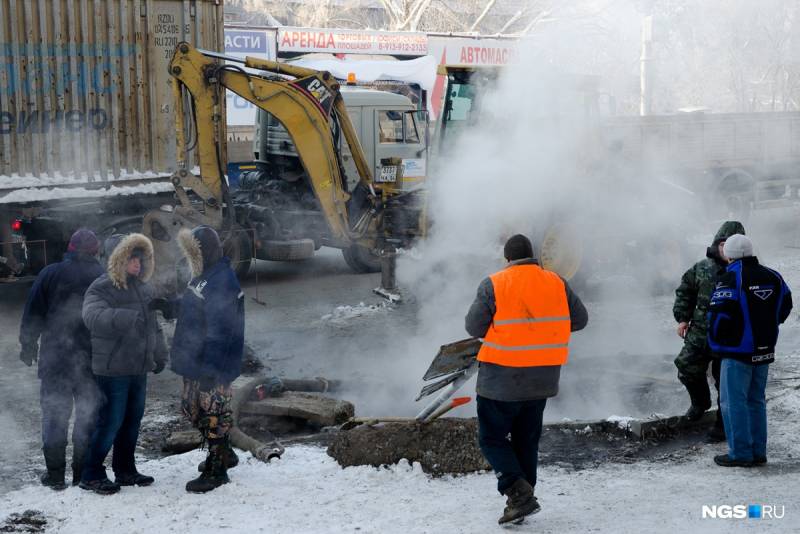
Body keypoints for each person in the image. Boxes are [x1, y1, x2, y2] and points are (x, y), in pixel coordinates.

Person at [465, 234, 588, 525]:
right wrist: (543, 332)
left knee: (491, 438)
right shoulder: (556, 282)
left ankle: (517, 491)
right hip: (542, 379)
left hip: (501, 379)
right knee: (526, 440)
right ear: (534, 256)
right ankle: (523, 499)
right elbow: (580, 319)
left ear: (507, 258)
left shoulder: (494, 283)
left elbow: (473, 327)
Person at [79, 233, 167, 494]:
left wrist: (160, 353)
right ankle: (91, 473)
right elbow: (92, 316)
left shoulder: (143, 288)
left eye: (139, 259)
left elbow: (153, 325)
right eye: (131, 259)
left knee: (132, 421)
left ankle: (125, 470)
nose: (137, 264)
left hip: (138, 366)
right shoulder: (101, 287)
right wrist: (126, 318)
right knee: (110, 422)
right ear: (117, 260)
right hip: (113, 369)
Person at [18, 229, 105, 490]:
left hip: (55, 358)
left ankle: (55, 475)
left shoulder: (50, 273)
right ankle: (81, 473)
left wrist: (28, 345)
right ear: (95, 250)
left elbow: (33, 312)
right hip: (92, 359)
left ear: (70, 247)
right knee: (88, 416)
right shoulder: (102, 275)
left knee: (55, 415)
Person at [169, 226, 245, 493]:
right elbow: (194, 308)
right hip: (195, 360)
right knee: (192, 409)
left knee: (212, 415)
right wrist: (169, 306)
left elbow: (221, 330)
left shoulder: (222, 281)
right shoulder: (204, 276)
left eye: (193, 253)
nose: (189, 259)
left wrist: (211, 370)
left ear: (205, 252)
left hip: (212, 365)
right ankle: (225, 453)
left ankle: (217, 470)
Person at [708, 234, 792, 467]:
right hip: (764, 348)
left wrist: (717, 344)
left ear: (729, 254)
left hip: (737, 351)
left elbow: (718, 315)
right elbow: (786, 305)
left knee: (733, 402)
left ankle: (740, 453)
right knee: (756, 400)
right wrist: (768, 326)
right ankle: (758, 451)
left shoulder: (730, 278)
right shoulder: (773, 276)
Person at [673, 221, 745, 441]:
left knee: (725, 383)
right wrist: (682, 318)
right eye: (723, 245)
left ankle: (722, 426)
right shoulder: (702, 268)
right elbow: (685, 291)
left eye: (731, 245)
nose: (726, 250)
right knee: (686, 366)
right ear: (717, 245)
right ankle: (700, 402)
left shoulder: (745, 272)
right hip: (700, 333)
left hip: (729, 337)